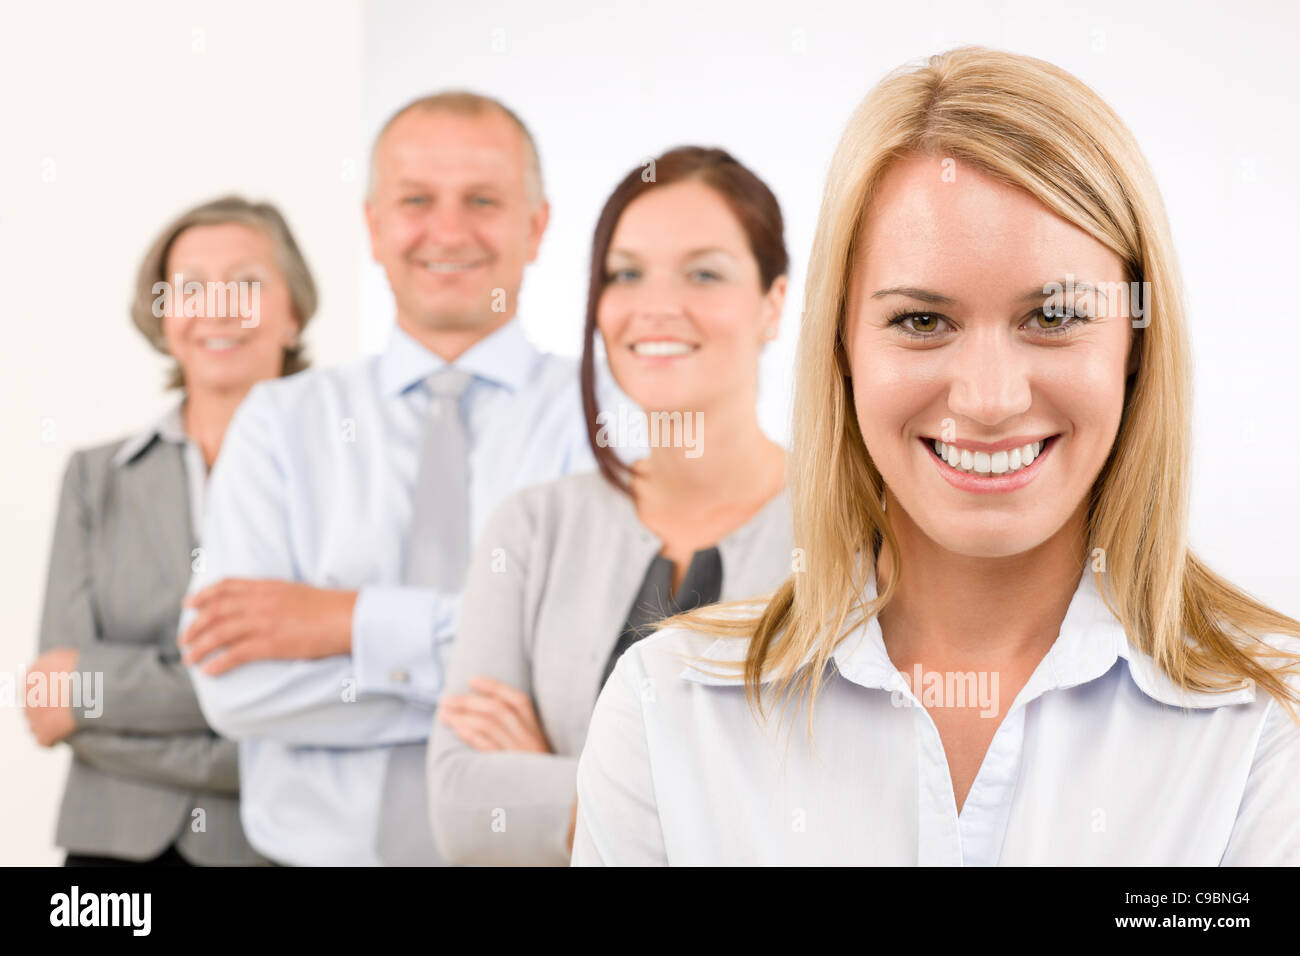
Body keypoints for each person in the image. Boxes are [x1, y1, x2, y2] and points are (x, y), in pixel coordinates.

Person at [571, 47, 1300, 866]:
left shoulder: (1274, 721)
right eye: (922, 321)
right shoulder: (665, 710)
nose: (989, 400)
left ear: (1136, 343)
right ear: (841, 348)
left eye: (1053, 317)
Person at [178, 92, 601, 866]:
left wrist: (349, 621)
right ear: (373, 226)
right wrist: (496, 690)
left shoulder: (606, 417)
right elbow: (232, 690)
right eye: (415, 200)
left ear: (536, 226)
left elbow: (592, 677)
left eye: (482, 199)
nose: (447, 230)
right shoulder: (277, 422)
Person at [427, 146, 795, 865]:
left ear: (772, 305)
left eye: (704, 273)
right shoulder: (533, 527)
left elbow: (814, 820)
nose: (656, 306)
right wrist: (689, 803)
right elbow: (462, 808)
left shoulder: (857, 534)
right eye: (625, 274)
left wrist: (563, 780)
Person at [26, 195, 315, 865]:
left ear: (293, 312)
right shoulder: (96, 477)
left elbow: (336, 690)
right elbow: (52, 698)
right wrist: (259, 729)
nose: (217, 308)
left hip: (276, 847)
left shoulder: (346, 480)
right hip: (109, 857)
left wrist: (103, 697)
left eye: (246, 284)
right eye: (190, 288)